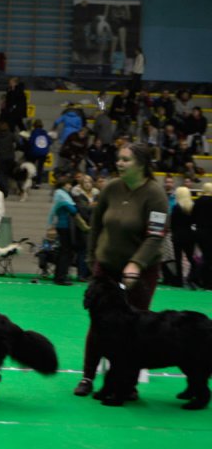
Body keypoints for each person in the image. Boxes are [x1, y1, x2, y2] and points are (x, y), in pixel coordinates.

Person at [74, 143, 169, 397]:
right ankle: (87, 377)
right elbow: (96, 225)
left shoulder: (156, 194)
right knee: (98, 325)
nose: (120, 163)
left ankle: (128, 384)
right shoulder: (111, 188)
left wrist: (137, 262)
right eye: (119, 159)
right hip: (106, 269)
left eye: (126, 159)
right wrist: (92, 256)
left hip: (140, 273)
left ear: (141, 164)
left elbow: (156, 236)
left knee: (135, 329)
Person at [171, 186, 198, 288]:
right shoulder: (192, 207)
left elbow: (173, 223)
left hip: (177, 235)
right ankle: (193, 277)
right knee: (191, 258)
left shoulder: (176, 207)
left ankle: (179, 281)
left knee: (178, 259)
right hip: (189, 235)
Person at [193, 183, 212, 289]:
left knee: (204, 256)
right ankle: (201, 279)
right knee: (209, 258)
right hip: (209, 232)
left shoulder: (197, 201)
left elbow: (193, 217)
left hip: (199, 232)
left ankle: (200, 279)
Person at [27, 119, 52, 188]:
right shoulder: (45, 132)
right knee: (40, 168)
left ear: (34, 125)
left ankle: (32, 180)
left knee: (32, 166)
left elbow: (31, 142)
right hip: (43, 153)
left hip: (34, 152)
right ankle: (38, 183)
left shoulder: (34, 132)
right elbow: (49, 142)